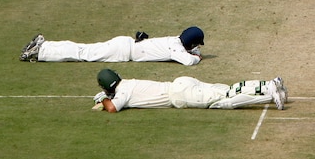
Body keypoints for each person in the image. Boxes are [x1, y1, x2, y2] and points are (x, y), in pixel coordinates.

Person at [92, 68, 288, 112]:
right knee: (227, 90)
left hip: (181, 95)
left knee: (222, 101)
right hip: (182, 83)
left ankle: (270, 93)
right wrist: (108, 95)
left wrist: (103, 100)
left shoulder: (123, 93)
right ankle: (268, 85)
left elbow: (112, 108)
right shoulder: (128, 83)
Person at [20, 26, 205, 65]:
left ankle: (44, 46)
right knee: (83, 53)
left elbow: (186, 49)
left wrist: (193, 51)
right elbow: (188, 61)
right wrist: (196, 58)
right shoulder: (176, 49)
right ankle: (40, 52)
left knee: (83, 49)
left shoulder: (174, 40)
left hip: (123, 44)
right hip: (122, 51)